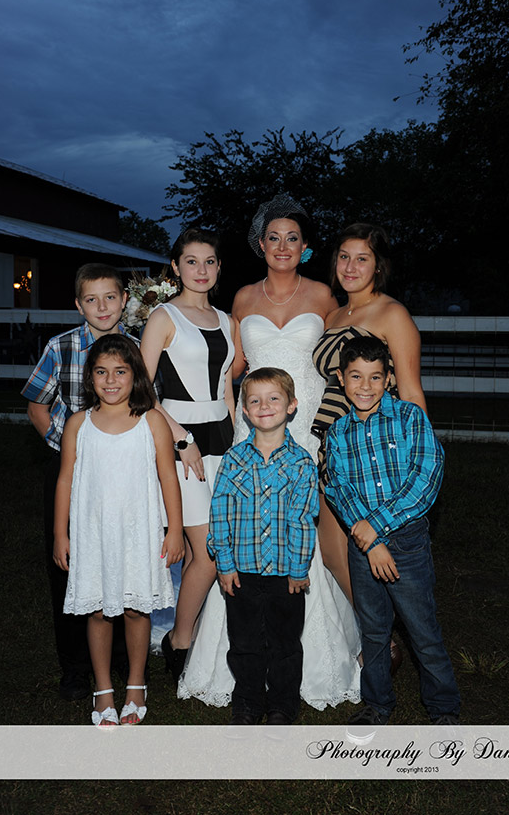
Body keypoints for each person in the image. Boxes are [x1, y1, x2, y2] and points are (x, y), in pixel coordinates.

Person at [179, 193, 361, 711]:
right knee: (247, 521)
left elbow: (340, 359)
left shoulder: (324, 295)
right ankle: (240, 659)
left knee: (304, 525)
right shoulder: (241, 298)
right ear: (260, 245)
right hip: (254, 423)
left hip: (307, 426)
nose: (283, 246)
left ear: (305, 248)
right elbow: (231, 368)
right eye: (274, 237)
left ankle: (312, 655)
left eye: (293, 238)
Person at [325, 336, 460, 726]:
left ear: (388, 378)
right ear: (341, 379)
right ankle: (377, 704)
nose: (365, 386)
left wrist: (376, 529)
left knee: (422, 630)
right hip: (363, 549)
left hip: (407, 543)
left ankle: (444, 709)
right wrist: (370, 542)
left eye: (375, 377)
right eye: (356, 376)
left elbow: (426, 476)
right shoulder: (338, 434)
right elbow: (338, 488)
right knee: (373, 631)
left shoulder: (410, 418)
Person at [53, 335, 183, 726]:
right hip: (93, 534)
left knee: (135, 608)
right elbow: (65, 480)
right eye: (101, 372)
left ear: (135, 375)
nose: (111, 380)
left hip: (138, 532)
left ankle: (136, 684)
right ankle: (103, 689)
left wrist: (175, 529)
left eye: (120, 371)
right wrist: (61, 534)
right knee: (97, 610)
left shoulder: (152, 421)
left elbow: (168, 476)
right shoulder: (78, 424)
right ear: (90, 377)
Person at [21, 263, 135, 701]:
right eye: (91, 299)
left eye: (110, 297)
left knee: (120, 557)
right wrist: (65, 447)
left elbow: (149, 406)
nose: (102, 307)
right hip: (72, 470)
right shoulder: (61, 346)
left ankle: (121, 655)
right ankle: (74, 666)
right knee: (68, 564)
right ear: (78, 304)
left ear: (124, 300)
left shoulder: (138, 346)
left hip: (123, 471)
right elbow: (37, 404)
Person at [313, 223, 426, 635]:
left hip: (375, 449)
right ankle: (378, 630)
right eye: (344, 257)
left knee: (374, 542)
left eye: (362, 258)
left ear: (378, 266)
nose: (350, 266)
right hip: (332, 445)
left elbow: (410, 391)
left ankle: (385, 635)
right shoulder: (333, 315)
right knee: (332, 551)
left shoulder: (392, 314)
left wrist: (414, 455)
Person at [140, 228, 235, 684]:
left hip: (225, 439)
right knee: (207, 554)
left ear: (219, 267)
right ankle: (179, 641)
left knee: (224, 545)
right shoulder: (164, 317)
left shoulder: (228, 320)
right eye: (191, 261)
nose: (201, 270)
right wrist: (180, 438)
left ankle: (207, 634)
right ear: (176, 267)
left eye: (209, 261)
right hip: (183, 443)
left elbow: (228, 387)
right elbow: (142, 389)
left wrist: (242, 440)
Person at [208, 368, 317, 725]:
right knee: (244, 643)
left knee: (285, 644)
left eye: (273, 398)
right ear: (245, 410)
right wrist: (224, 563)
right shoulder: (233, 460)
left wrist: (299, 570)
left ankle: (283, 705)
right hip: (242, 572)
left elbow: (303, 519)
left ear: (291, 405)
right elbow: (220, 513)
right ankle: (248, 703)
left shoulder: (302, 463)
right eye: (254, 400)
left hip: (286, 574)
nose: (264, 406)